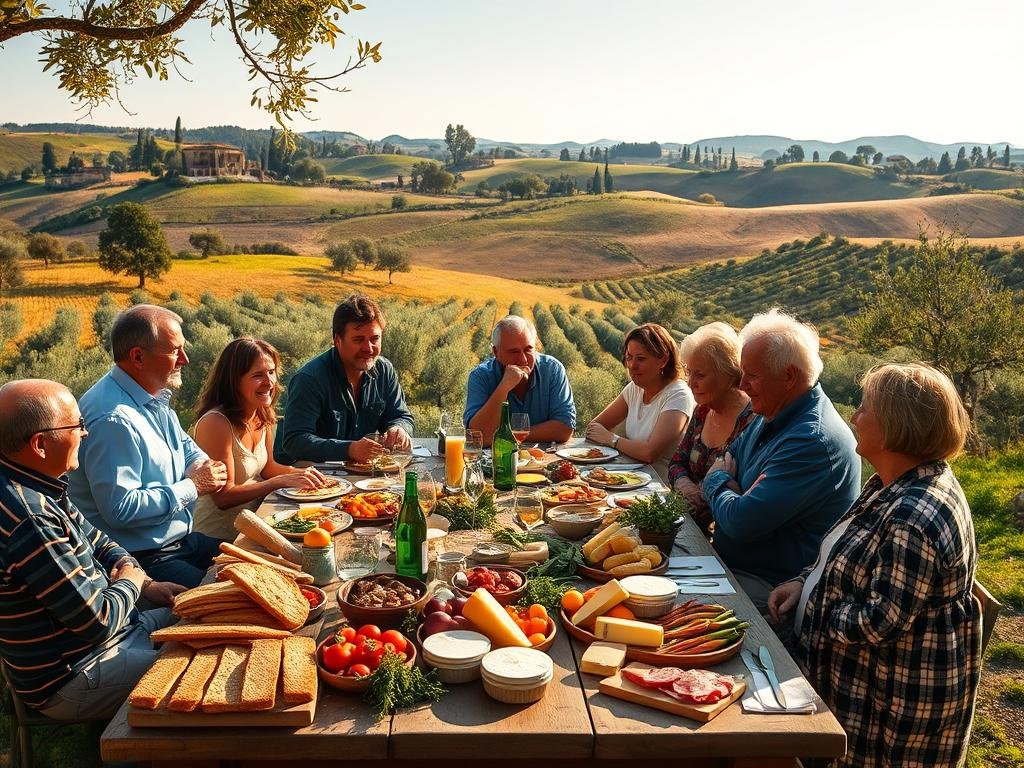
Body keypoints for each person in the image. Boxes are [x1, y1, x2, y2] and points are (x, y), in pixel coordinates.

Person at [768, 363, 980, 768]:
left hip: (888, 703)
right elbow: (843, 554)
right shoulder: (892, 483)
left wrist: (814, 607)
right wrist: (803, 582)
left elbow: (879, 621)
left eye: (865, 409)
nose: (854, 417)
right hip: (855, 680)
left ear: (897, 426)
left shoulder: (912, 518)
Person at [0, 379, 184, 720]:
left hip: (119, 634)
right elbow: (97, 621)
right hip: (76, 673)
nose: (85, 433)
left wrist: (145, 584)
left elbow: (100, 540)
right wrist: (130, 581)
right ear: (40, 444)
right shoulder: (29, 517)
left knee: (204, 614)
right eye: (76, 425)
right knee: (200, 665)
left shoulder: (37, 483)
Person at [702, 308, 860, 609]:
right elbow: (726, 457)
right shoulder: (769, 411)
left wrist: (718, 482)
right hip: (732, 569)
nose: (741, 385)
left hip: (768, 589)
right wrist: (733, 493)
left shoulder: (811, 439)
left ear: (788, 376)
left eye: (753, 376)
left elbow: (739, 521)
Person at [68, 304, 228, 589]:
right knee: (236, 600)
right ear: (138, 357)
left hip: (180, 543)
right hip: (142, 559)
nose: (185, 359)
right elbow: (119, 509)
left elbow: (186, 447)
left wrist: (200, 468)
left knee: (259, 563)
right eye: (174, 351)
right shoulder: (112, 419)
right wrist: (193, 486)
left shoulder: (150, 396)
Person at [192, 337, 329, 540]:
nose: (269, 382)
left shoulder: (262, 413)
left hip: (255, 526)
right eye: (258, 375)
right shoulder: (216, 423)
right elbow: (223, 497)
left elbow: (268, 468)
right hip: (219, 537)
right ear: (233, 380)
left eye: (272, 372)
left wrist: (306, 475)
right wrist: (279, 482)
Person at [274, 293, 413, 465]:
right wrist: (349, 449)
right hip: (304, 473)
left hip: (358, 473)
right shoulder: (309, 379)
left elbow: (401, 415)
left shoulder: (385, 370)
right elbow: (295, 441)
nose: (368, 348)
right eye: (358, 340)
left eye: (375, 339)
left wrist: (399, 428)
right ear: (337, 340)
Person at [667, 322, 755, 536]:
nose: (690, 383)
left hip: (724, 538)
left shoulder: (751, 420)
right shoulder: (702, 411)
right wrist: (686, 486)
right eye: (689, 373)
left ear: (727, 374)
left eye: (700, 375)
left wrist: (703, 494)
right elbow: (677, 462)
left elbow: (741, 491)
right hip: (687, 522)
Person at [585, 323, 694, 479]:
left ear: (663, 360)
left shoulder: (678, 396)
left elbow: (650, 453)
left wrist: (611, 439)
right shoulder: (634, 389)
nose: (632, 366)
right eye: (629, 357)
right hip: (631, 478)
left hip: (661, 487)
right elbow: (593, 429)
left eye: (641, 359)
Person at [464, 315, 575, 446]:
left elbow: (565, 428)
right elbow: (478, 435)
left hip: (543, 461)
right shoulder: (480, 376)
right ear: (496, 352)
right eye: (514, 352)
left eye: (528, 349)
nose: (523, 359)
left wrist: (508, 435)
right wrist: (504, 386)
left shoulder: (552, 370)